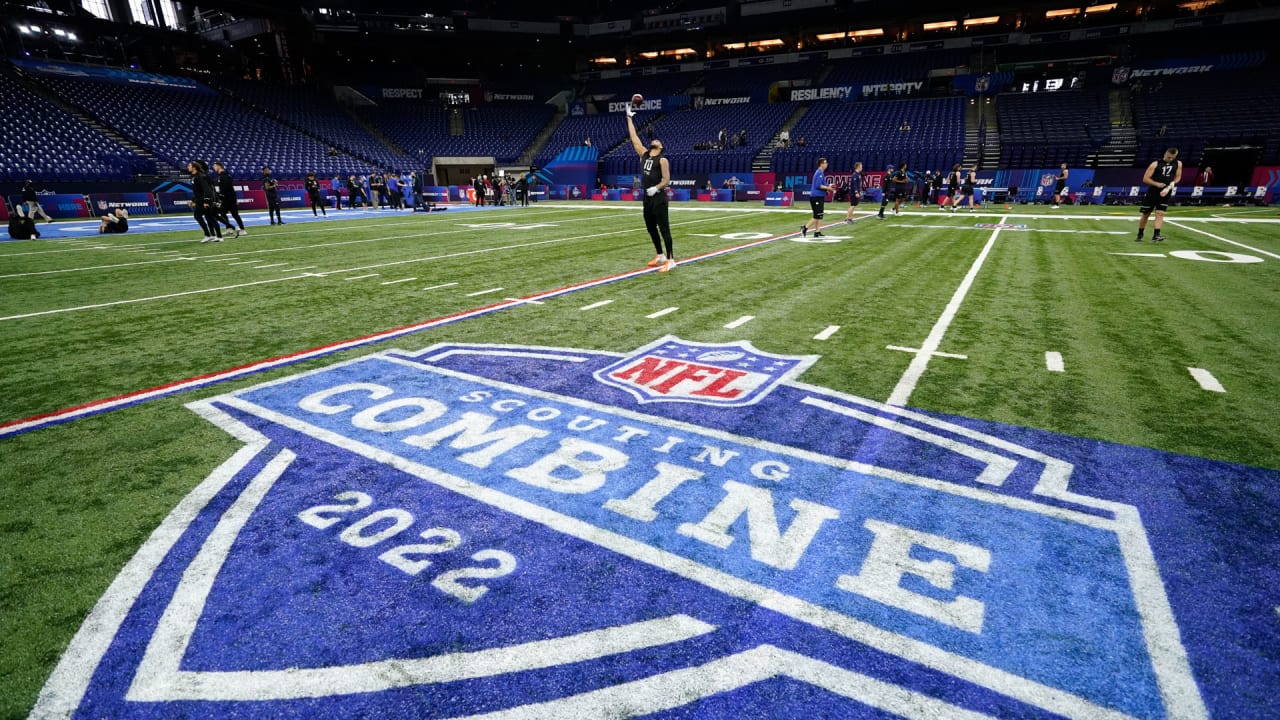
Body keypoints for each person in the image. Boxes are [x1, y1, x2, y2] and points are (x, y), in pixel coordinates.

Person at [626, 103, 675, 272]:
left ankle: (671, 259)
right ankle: (660, 254)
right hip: (647, 199)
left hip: (659, 198)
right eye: (654, 140)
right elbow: (633, 138)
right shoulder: (644, 154)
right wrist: (629, 118)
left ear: (660, 147)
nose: (655, 140)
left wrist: (657, 187)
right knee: (650, 228)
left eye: (658, 141)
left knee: (664, 229)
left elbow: (667, 180)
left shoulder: (662, 160)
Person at [1136, 147, 1182, 243]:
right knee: (1146, 213)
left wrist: (1172, 184)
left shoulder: (1178, 164)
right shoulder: (1155, 164)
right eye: (1168, 157)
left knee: (1160, 213)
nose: (1170, 159)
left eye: (1172, 158)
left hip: (1166, 191)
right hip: (1153, 191)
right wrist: (1157, 184)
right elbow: (1145, 179)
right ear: (1165, 153)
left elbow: (1178, 177)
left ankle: (1156, 235)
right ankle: (1140, 234)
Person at [189, 160, 222, 243]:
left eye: (189, 166)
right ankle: (216, 236)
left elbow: (206, 189)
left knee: (201, 216)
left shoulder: (200, 176)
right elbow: (197, 191)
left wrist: (206, 201)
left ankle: (209, 235)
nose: (188, 167)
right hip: (199, 200)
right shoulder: (194, 176)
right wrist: (193, 200)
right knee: (210, 218)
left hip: (203, 201)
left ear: (194, 167)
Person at [212, 161, 246, 237]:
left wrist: (220, 197)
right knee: (222, 213)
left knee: (235, 214)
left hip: (230, 199)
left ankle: (242, 229)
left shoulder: (225, 175)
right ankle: (229, 228)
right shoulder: (221, 176)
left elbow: (227, 188)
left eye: (214, 166)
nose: (214, 168)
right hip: (225, 199)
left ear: (219, 166)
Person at [802, 157, 833, 237]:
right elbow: (818, 185)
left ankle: (817, 231)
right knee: (817, 215)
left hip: (819, 196)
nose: (827, 164)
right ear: (821, 164)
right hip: (816, 197)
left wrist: (828, 187)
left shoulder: (821, 173)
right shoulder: (819, 173)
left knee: (820, 214)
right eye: (825, 163)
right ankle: (805, 228)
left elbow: (822, 185)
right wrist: (828, 188)